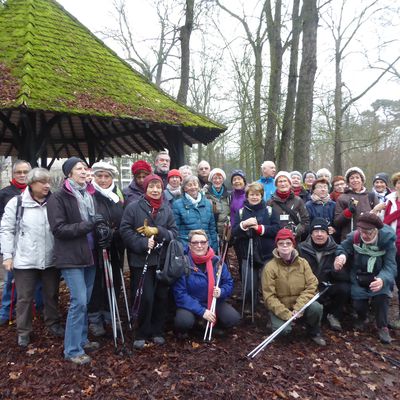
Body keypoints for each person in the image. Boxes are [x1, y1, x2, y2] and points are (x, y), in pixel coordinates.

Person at [47, 157, 102, 365]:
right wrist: (88, 225)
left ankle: (82, 339)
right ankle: (72, 350)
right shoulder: (59, 197)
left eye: (84, 168)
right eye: (78, 169)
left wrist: (100, 230)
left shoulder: (88, 194)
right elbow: (58, 229)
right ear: (69, 173)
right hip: (70, 257)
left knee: (85, 301)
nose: (83, 171)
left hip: (89, 254)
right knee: (78, 301)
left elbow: (93, 223)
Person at [0, 168, 63, 346]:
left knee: (51, 294)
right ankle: (24, 331)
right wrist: (7, 256)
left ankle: (53, 324)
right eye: (42, 182)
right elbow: (6, 230)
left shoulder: (55, 201)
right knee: (24, 297)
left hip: (51, 258)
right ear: (31, 184)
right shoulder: (17, 202)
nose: (47, 185)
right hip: (25, 259)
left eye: (48, 181)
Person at [120, 174, 177, 349]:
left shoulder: (166, 208)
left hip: (162, 260)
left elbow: (174, 232)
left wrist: (158, 231)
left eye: (158, 187)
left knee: (161, 296)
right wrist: (142, 243)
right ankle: (142, 331)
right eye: (151, 186)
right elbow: (125, 230)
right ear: (145, 189)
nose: (155, 190)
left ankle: (157, 330)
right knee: (145, 297)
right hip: (141, 260)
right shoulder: (133, 207)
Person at [334, 213, 396, 344]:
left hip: (378, 276)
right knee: (358, 303)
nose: (364, 235)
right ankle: (362, 317)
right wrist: (341, 256)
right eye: (362, 231)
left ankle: (382, 326)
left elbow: (390, 266)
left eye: (368, 232)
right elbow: (343, 247)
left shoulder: (387, 242)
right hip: (359, 276)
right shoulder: (355, 237)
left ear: (376, 231)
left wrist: (382, 279)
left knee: (381, 299)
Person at [261, 228, 326, 346]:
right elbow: (269, 296)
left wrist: (299, 306)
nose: (285, 246)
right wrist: (285, 313)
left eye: (288, 243)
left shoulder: (303, 263)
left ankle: (313, 331)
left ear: (293, 245)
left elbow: (312, 285)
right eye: (281, 243)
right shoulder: (269, 267)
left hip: (300, 305)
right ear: (276, 246)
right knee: (284, 332)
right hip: (281, 306)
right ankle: (274, 321)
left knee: (317, 308)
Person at [173, 229, 240, 336]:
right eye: (195, 243)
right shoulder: (184, 263)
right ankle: (197, 327)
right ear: (189, 245)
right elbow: (180, 294)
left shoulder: (217, 261)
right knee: (183, 322)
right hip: (192, 304)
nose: (199, 246)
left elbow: (228, 283)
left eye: (203, 242)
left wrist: (221, 291)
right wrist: (202, 311)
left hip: (213, 302)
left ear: (207, 243)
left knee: (233, 319)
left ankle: (207, 325)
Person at [0, 160, 40, 326]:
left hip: (36, 245)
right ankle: (5, 311)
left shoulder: (40, 191)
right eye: (19, 172)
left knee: (38, 283)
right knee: (11, 281)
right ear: (13, 174)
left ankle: (39, 308)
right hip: (17, 246)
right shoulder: (5, 194)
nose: (22, 175)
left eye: (26, 172)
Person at [87, 161, 125, 337]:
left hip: (115, 244)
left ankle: (110, 312)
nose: (103, 180)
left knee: (115, 279)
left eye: (107, 176)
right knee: (96, 283)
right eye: (99, 176)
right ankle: (94, 317)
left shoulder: (117, 196)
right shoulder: (89, 195)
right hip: (95, 246)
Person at [232, 182, 280, 309]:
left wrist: (260, 229)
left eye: (257, 194)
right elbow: (234, 232)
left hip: (267, 253)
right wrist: (244, 225)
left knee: (268, 283)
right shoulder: (241, 212)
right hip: (247, 252)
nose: (254, 197)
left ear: (262, 196)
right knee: (249, 284)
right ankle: (250, 306)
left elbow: (276, 229)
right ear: (247, 196)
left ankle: (271, 308)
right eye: (251, 194)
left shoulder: (270, 211)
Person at [298, 218, 350, 332]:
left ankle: (334, 315)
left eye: (322, 231)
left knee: (344, 288)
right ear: (311, 234)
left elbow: (345, 276)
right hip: (308, 287)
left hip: (327, 286)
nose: (319, 234)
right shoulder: (301, 248)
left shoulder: (336, 249)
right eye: (316, 232)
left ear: (328, 233)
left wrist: (335, 270)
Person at [172, 175, 218, 252]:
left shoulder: (207, 203)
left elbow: (212, 228)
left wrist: (214, 246)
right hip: (186, 247)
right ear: (184, 188)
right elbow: (176, 229)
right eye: (189, 185)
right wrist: (182, 247)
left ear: (199, 187)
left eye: (195, 184)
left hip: (206, 246)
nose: (193, 187)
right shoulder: (177, 204)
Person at [334, 167, 378, 241]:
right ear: (348, 181)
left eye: (357, 177)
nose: (355, 180)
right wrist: (348, 212)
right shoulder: (342, 197)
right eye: (352, 178)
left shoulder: (371, 196)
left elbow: (379, 218)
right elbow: (337, 222)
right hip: (349, 239)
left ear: (362, 180)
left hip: (369, 239)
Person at [269, 171, 309, 241]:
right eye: (280, 181)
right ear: (276, 184)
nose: (283, 184)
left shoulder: (298, 201)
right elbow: (267, 221)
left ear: (290, 183)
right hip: (275, 239)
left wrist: (296, 232)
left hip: (294, 239)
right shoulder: (270, 202)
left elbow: (305, 221)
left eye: (285, 181)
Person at [382, 172, 400, 329]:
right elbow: (385, 221)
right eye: (398, 183)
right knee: (388, 281)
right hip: (391, 246)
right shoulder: (389, 201)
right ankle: (383, 319)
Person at [204, 168, 230, 243]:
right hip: (211, 232)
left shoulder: (228, 195)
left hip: (225, 232)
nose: (217, 180)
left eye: (220, 178)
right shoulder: (205, 194)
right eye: (215, 178)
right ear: (211, 180)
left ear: (223, 179)